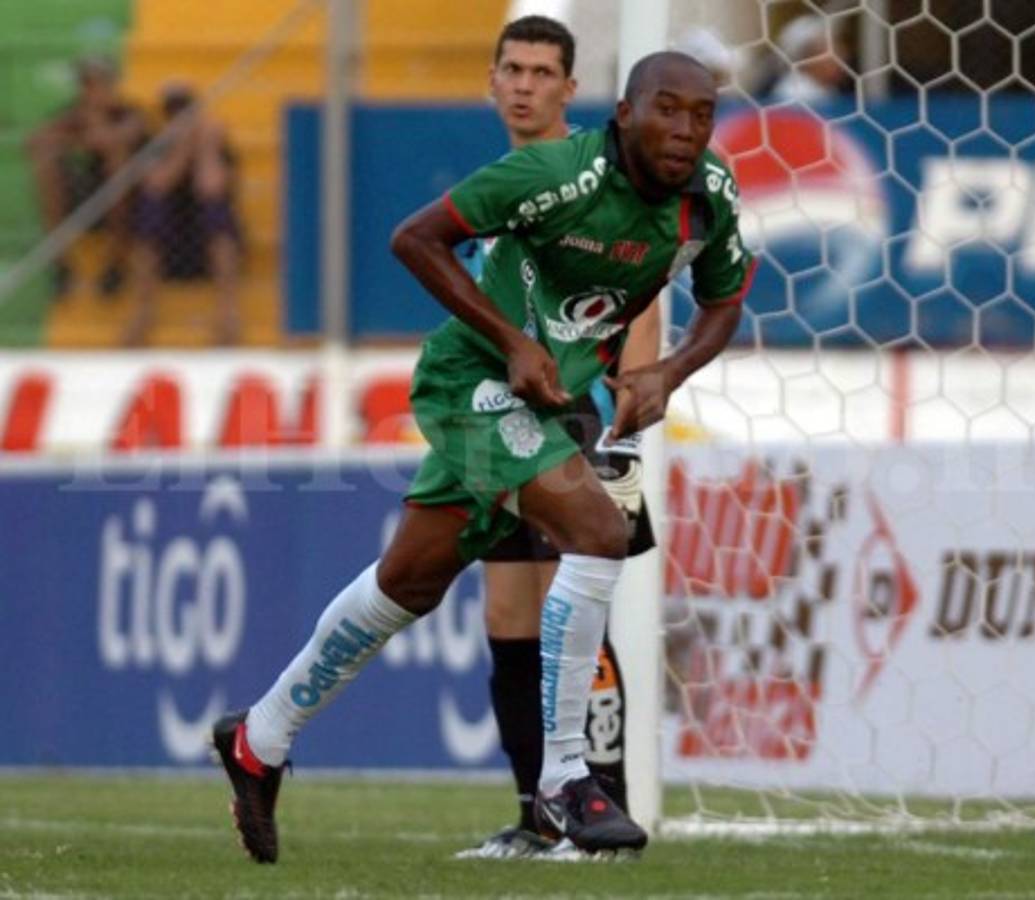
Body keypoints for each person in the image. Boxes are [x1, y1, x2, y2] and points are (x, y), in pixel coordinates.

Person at [212, 49, 754, 863]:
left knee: (409, 583)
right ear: (624, 116)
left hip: (548, 399)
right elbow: (414, 239)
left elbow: (723, 301)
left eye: (699, 115)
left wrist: (667, 372)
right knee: (596, 533)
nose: (684, 131)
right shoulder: (553, 176)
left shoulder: (708, 196)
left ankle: (260, 737)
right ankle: (565, 778)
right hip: (471, 381)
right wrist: (509, 342)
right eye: (666, 110)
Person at [455, 15, 660, 860]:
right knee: (506, 612)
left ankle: (597, 799)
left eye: (543, 71)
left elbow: (642, 280)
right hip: (500, 413)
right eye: (513, 68)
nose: (525, 84)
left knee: (577, 601)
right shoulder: (494, 181)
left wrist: (634, 387)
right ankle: (536, 813)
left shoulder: (592, 172)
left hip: (580, 406)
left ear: (570, 90)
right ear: (492, 80)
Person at [124, 81, 242, 346]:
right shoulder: (152, 144)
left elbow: (211, 187)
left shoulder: (216, 144)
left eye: (184, 112)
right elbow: (157, 183)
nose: (179, 119)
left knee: (217, 214)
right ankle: (143, 310)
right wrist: (182, 148)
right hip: (168, 240)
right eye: (173, 113)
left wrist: (205, 149)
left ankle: (227, 312)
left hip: (205, 238)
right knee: (150, 212)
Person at [25, 57, 146, 298]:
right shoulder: (72, 113)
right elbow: (35, 141)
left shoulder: (130, 113)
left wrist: (90, 120)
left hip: (128, 199)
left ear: (111, 86)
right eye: (86, 84)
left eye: (97, 84)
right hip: (85, 194)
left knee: (117, 164)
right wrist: (72, 131)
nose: (90, 91)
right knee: (45, 162)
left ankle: (116, 261)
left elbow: (112, 139)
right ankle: (61, 263)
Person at [767, 15, 850, 105]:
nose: (842, 55)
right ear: (806, 57)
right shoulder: (793, 94)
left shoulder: (830, 90)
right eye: (828, 50)